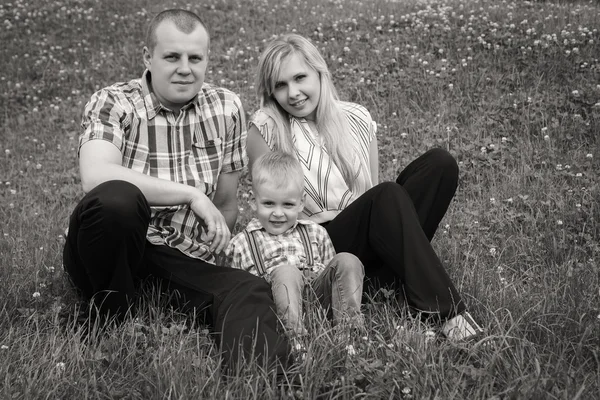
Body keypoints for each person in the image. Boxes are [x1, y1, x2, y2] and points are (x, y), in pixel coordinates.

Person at [62, 9, 290, 369]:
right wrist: (190, 194)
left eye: (195, 58)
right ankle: (108, 314)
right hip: (109, 245)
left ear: (206, 60)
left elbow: (227, 204)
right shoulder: (115, 102)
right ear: (147, 57)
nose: (185, 68)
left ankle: (261, 380)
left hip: (178, 257)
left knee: (247, 288)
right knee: (118, 199)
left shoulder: (226, 107)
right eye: (172, 56)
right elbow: (97, 175)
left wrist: (214, 256)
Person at [247, 33, 484, 341]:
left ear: (320, 72)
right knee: (385, 195)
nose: (293, 93)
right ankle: (449, 314)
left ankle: (390, 279)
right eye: (280, 85)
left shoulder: (356, 117)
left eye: (300, 78)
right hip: (320, 248)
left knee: (439, 164)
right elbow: (271, 203)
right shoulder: (266, 127)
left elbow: (368, 189)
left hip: (370, 231)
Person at [225, 151, 364, 341]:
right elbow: (235, 291)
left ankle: (349, 332)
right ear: (253, 202)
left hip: (318, 300)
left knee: (347, 260)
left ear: (301, 203)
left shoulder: (316, 233)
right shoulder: (241, 243)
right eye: (268, 203)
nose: (278, 213)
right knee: (286, 272)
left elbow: (330, 273)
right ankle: (294, 337)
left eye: (288, 205)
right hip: (272, 305)